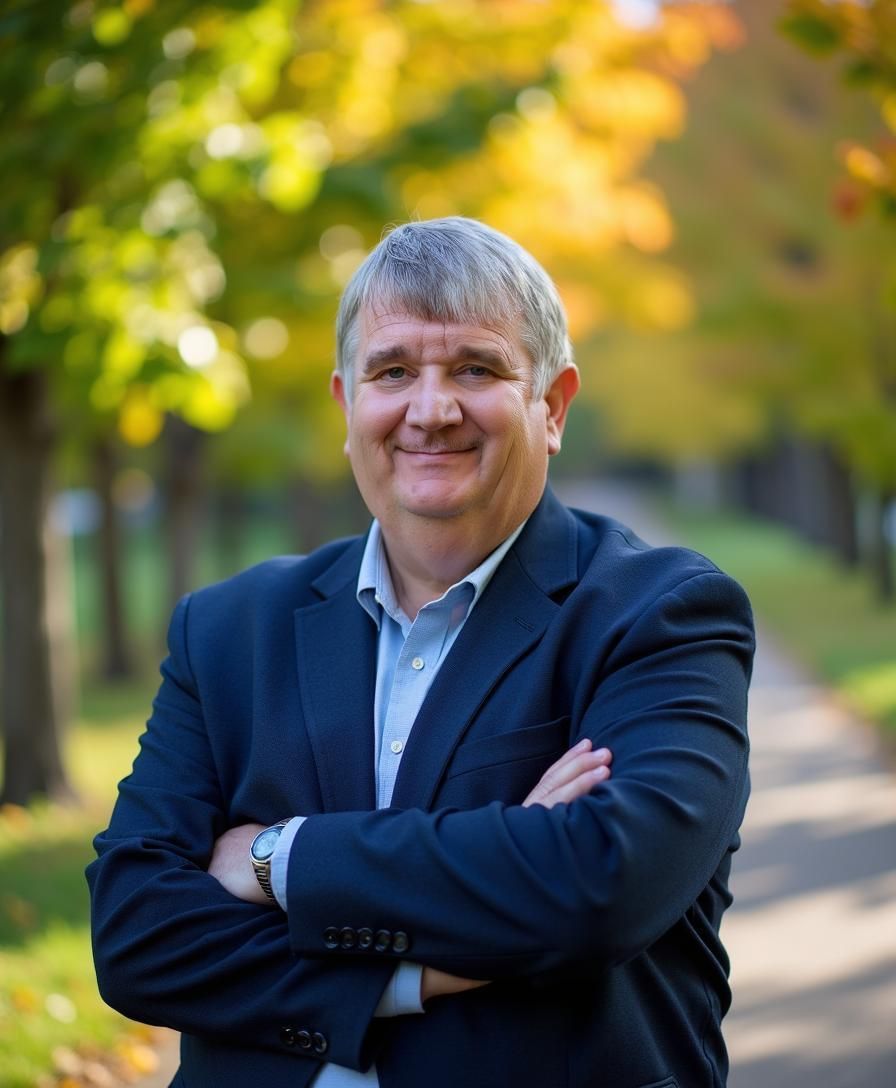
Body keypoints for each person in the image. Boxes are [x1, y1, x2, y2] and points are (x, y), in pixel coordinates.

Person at [87, 217, 754, 1088]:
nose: (430, 410)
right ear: (346, 404)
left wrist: (274, 859)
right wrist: (420, 962)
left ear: (551, 406)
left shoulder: (660, 614)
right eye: (393, 371)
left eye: (475, 369)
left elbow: (602, 884)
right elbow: (137, 933)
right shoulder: (225, 630)